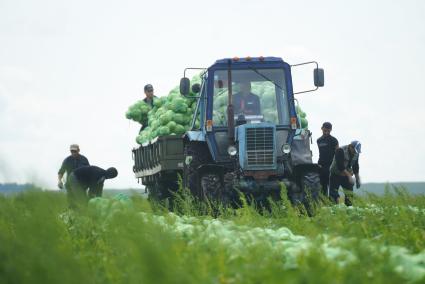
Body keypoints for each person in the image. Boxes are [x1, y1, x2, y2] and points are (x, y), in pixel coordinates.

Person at [329, 141, 362, 206]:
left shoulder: (356, 153)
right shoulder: (340, 150)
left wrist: (357, 179)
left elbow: (355, 166)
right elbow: (340, 166)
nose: (355, 152)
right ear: (350, 146)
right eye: (354, 150)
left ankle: (349, 209)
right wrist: (349, 176)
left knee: (349, 194)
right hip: (335, 174)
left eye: (356, 151)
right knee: (334, 194)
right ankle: (334, 209)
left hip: (346, 175)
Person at [317, 122, 339, 197]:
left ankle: (334, 205)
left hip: (331, 166)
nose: (326, 132)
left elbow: (338, 154)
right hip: (321, 166)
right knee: (322, 187)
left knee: (332, 188)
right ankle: (324, 204)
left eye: (328, 131)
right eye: (325, 130)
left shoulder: (334, 140)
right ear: (322, 128)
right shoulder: (319, 140)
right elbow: (321, 153)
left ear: (331, 130)